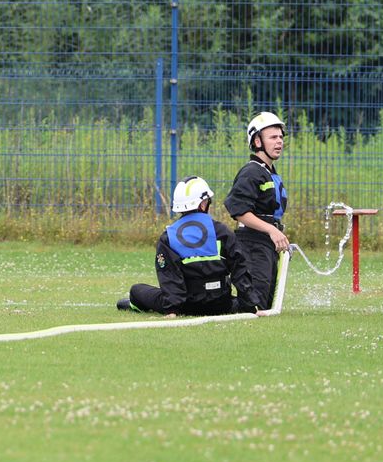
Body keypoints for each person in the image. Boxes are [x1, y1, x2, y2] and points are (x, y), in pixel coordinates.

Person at [118, 177, 250, 316]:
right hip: (221, 304)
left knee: (136, 290)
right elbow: (239, 268)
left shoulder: (168, 236)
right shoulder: (222, 231)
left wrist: (172, 310)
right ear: (203, 204)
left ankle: (135, 304)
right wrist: (249, 305)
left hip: (186, 306)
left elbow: (169, 275)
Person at [224, 110, 291, 314]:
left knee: (266, 305)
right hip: (252, 244)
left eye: (281, 137)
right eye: (273, 137)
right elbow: (238, 210)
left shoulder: (269, 173)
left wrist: (275, 234)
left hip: (266, 244)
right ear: (257, 141)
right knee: (255, 307)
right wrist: (272, 231)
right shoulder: (252, 171)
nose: (279, 141)